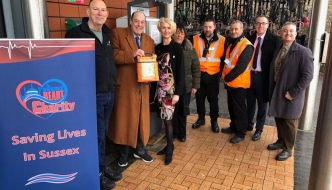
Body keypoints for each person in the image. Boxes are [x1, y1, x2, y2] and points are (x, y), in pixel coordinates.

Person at [65, 0, 121, 189]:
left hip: (108, 93)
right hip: (91, 96)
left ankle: (102, 167)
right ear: (88, 11)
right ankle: (95, 173)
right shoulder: (76, 34)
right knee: (95, 136)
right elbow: (69, 66)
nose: (100, 13)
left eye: (103, 10)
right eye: (96, 9)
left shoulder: (107, 33)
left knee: (102, 134)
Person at [108, 11, 155, 167]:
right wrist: (132, 54)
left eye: (142, 22)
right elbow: (112, 55)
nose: (139, 25)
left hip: (143, 86)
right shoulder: (118, 33)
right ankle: (123, 153)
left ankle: (139, 149)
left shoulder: (149, 40)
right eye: (136, 21)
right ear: (130, 21)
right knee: (125, 120)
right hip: (125, 88)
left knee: (141, 119)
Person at [267, 22, 313, 161]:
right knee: (279, 118)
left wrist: (293, 93)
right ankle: (280, 141)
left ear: (296, 34)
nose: (288, 33)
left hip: (291, 94)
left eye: (291, 31)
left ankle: (288, 149)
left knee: (290, 122)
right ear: (280, 33)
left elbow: (308, 76)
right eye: (285, 31)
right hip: (278, 90)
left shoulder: (303, 52)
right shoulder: (279, 49)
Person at [155, 17, 185, 165]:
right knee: (165, 118)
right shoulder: (158, 47)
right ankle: (169, 144)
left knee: (168, 120)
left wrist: (178, 93)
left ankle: (169, 149)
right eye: (163, 27)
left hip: (171, 91)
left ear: (172, 30)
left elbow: (180, 72)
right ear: (160, 29)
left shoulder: (177, 48)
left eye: (168, 28)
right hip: (160, 89)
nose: (166, 30)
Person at [246, 16, 281, 141]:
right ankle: (249, 124)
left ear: (268, 25)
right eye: (258, 23)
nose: (261, 26)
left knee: (262, 105)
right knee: (249, 103)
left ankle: (259, 129)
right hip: (250, 76)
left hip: (264, 77)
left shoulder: (275, 40)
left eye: (264, 23)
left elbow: (278, 61)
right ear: (255, 25)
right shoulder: (248, 39)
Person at [220, 20, 254, 144]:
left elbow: (240, 67)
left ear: (242, 30)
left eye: (236, 29)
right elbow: (227, 63)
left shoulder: (247, 46)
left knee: (239, 109)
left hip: (239, 83)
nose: (233, 31)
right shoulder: (232, 44)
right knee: (232, 107)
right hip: (230, 83)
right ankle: (233, 126)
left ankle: (241, 132)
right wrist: (225, 78)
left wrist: (226, 78)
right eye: (232, 29)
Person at [191, 16, 227, 133]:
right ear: (203, 27)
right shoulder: (195, 39)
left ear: (214, 27)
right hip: (199, 76)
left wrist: (222, 75)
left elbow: (225, 59)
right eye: (206, 27)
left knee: (213, 101)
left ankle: (214, 122)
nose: (207, 29)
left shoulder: (222, 40)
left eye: (210, 27)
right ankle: (201, 119)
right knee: (199, 100)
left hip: (213, 76)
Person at [172, 22, 200, 142]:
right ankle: (173, 132)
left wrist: (195, 85)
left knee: (183, 111)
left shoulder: (190, 50)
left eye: (182, 33)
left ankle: (182, 134)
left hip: (186, 86)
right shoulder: (169, 48)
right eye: (177, 33)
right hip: (171, 86)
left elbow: (196, 68)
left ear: (185, 35)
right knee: (173, 111)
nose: (179, 35)